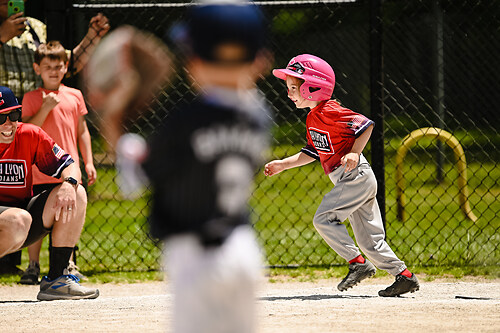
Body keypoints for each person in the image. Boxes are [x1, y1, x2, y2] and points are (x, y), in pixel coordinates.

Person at [140, 1, 271, 331]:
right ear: (261, 63)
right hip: (243, 250)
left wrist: (115, 127)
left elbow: (145, 173)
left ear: (192, 62)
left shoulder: (184, 121)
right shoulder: (259, 117)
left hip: (195, 258)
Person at [264, 54, 420, 297]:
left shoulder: (330, 110)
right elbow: (312, 151)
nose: (289, 93)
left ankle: (358, 263)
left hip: (355, 176)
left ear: (312, 86)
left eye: (294, 87)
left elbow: (365, 125)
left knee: (323, 218)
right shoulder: (313, 117)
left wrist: (355, 153)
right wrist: (284, 164)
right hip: (352, 179)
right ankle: (404, 276)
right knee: (370, 240)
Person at [0, 0, 108, 274]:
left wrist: (92, 38)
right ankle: (32, 265)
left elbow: (64, 61)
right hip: (22, 114)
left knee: (72, 191)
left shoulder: (35, 29)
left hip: (27, 137)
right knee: (15, 219)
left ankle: (58, 275)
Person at [0, 85, 98, 300]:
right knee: (18, 219)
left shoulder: (28, 134)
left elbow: (69, 164)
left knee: (77, 192)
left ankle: (57, 279)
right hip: (14, 220)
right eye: (1, 118)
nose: (8, 124)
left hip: (21, 218)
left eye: (13, 115)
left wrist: (68, 182)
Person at [18, 40, 96, 285]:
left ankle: (66, 264)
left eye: (59, 65)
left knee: (69, 214)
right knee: (38, 218)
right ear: (36, 68)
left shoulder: (74, 95)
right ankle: (33, 265)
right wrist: (45, 106)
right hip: (39, 171)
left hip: (67, 172)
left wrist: (89, 162)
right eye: (48, 66)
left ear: (65, 68)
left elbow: (82, 131)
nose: (54, 70)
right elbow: (29, 129)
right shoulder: (31, 97)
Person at [0, 2, 110, 100]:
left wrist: (92, 36)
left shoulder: (35, 26)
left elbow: (67, 65)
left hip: (39, 110)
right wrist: (2, 36)